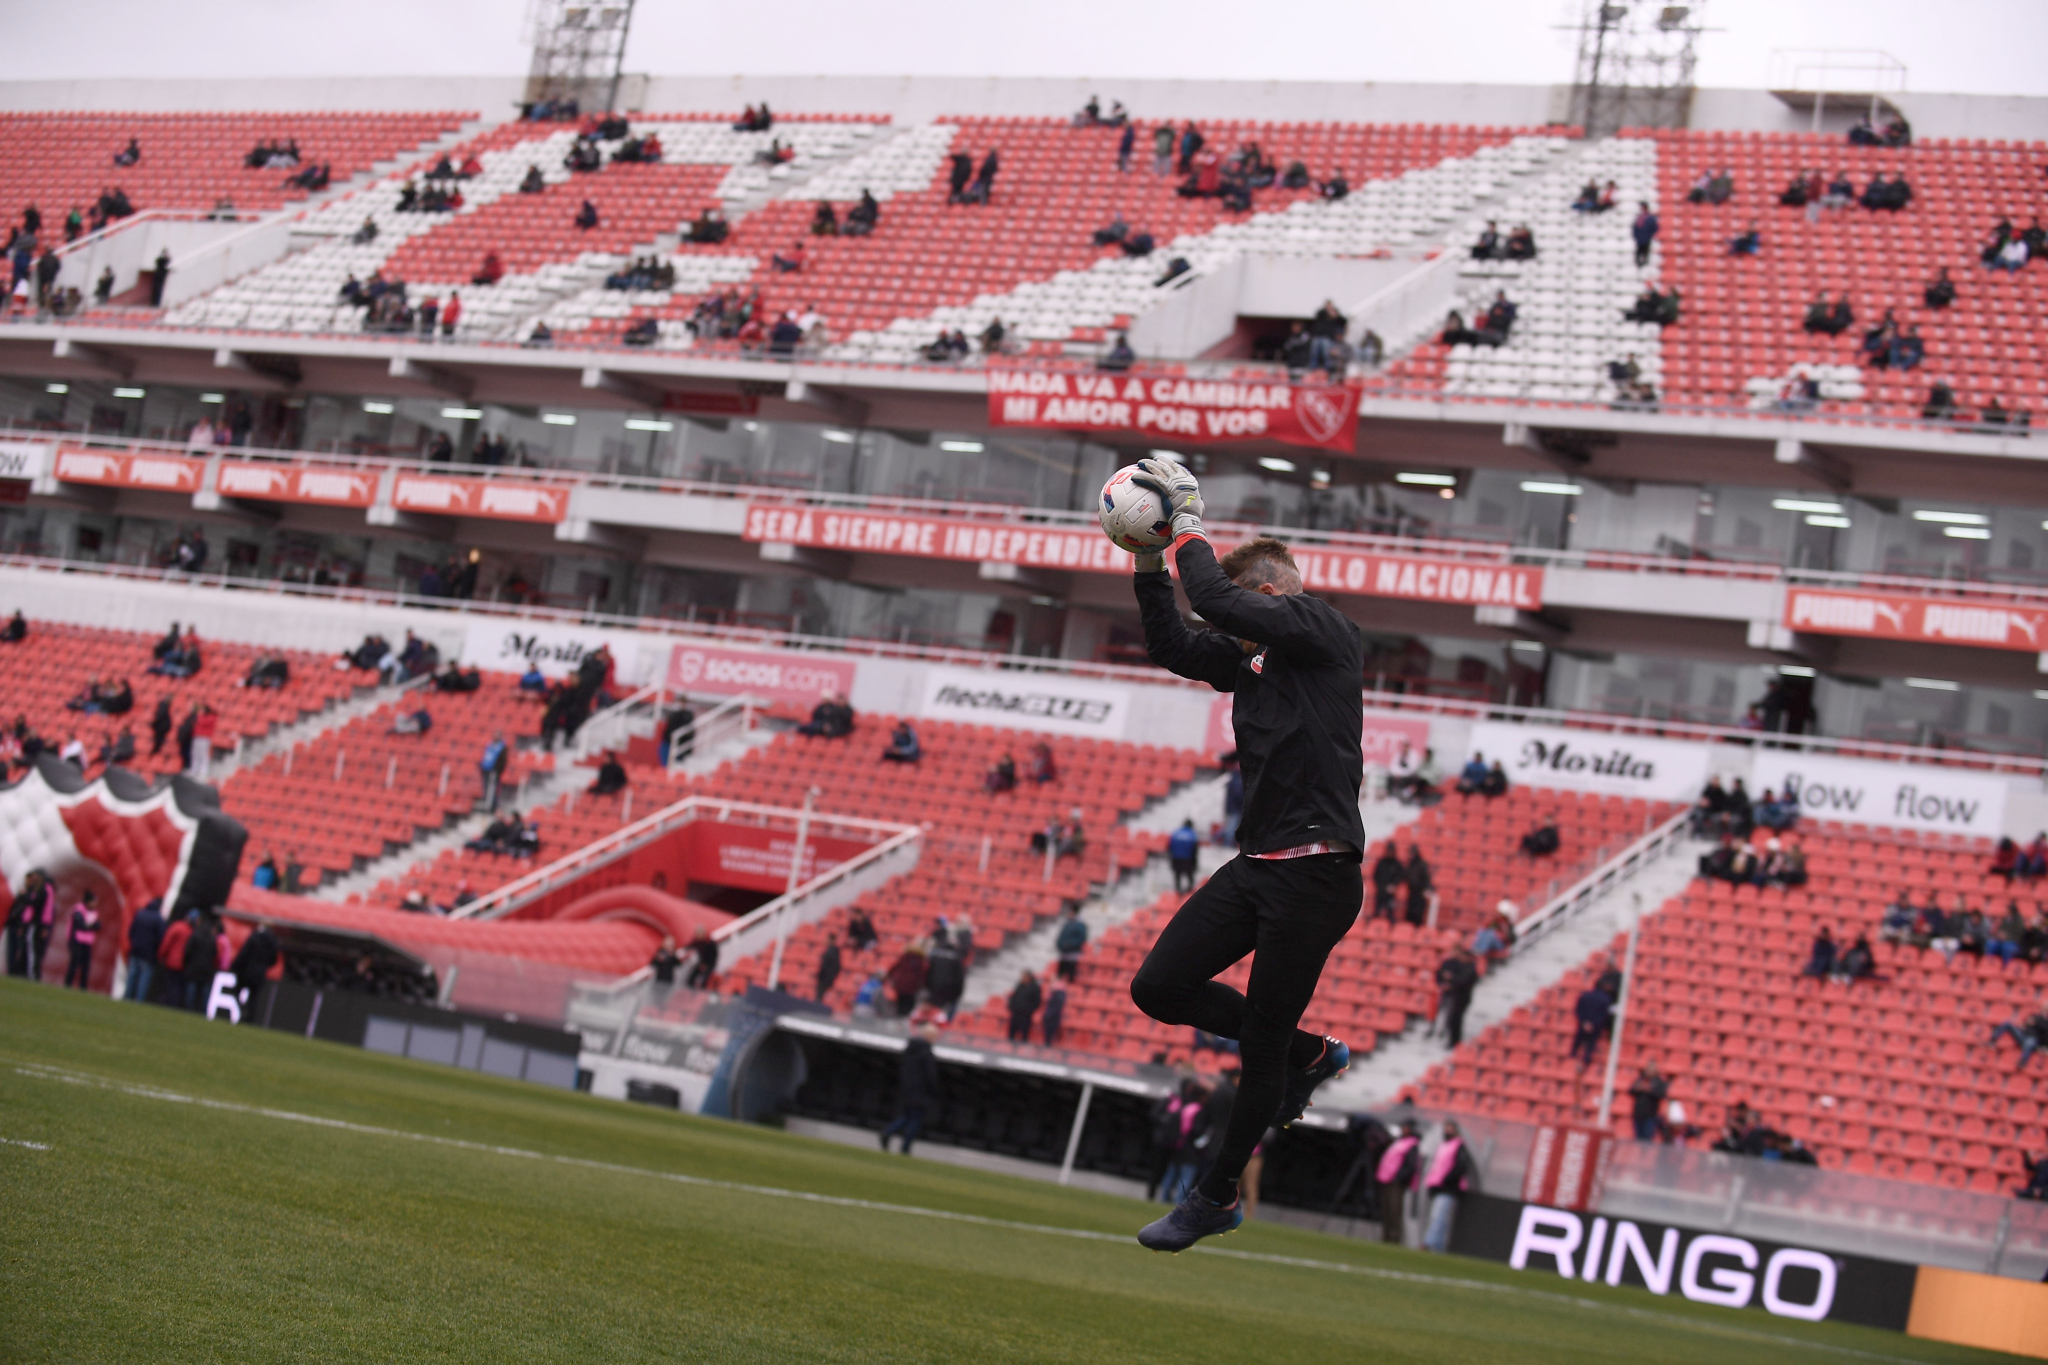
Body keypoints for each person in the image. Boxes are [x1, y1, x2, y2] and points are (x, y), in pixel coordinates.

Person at [1125, 462, 1364, 1252]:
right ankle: (1307, 1053)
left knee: (1258, 1041)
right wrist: (1148, 559)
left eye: (1246, 608)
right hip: (1259, 864)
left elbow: (1219, 605)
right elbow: (1172, 642)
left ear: (1270, 598)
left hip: (1317, 872)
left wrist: (1187, 521)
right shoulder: (1255, 662)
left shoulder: (1324, 630)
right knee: (1158, 986)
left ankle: (1216, 1195)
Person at [879, 1025, 940, 1154]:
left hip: (907, 1089)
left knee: (907, 1116)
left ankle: (888, 1132)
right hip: (921, 1092)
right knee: (915, 1119)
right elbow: (930, 1076)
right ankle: (905, 1147)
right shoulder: (926, 1053)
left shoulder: (909, 1050)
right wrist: (933, 1091)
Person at [1422, 1120, 1476, 1253]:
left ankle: (1429, 1243)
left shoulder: (1459, 1146)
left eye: (1450, 1128)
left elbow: (1461, 1166)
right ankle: (1438, 1247)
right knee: (1440, 1218)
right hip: (1438, 1186)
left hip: (1448, 1188)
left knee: (1438, 1216)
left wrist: (1447, 1180)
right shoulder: (1443, 1145)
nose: (1447, 1130)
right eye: (1446, 1128)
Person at [1376, 1119, 1421, 1244]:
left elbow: (1411, 1166)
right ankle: (1386, 1236)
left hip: (1397, 1182)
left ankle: (1394, 1238)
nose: (1403, 1129)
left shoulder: (1412, 1144)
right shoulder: (1400, 1141)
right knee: (1386, 1209)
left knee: (1395, 1210)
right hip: (1387, 1179)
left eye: (1405, 1127)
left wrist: (1399, 1177)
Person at [230, 920, 279, 1020]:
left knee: (236, 990)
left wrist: (235, 966)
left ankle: (242, 1009)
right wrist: (264, 966)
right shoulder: (272, 941)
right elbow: (274, 959)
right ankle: (250, 1018)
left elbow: (244, 953)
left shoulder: (255, 937)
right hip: (260, 974)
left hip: (247, 971)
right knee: (254, 998)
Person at [1434, 946, 1479, 1048]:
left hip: (1460, 997)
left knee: (1455, 1019)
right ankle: (1449, 1038)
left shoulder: (1470, 968)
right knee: (1450, 1018)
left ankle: (1454, 1041)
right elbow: (1440, 974)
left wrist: (1451, 979)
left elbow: (1462, 981)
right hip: (1453, 995)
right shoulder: (1456, 964)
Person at [124, 897, 163, 1003]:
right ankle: (138, 1001)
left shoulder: (140, 914)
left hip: (135, 950)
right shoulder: (158, 919)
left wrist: (134, 944)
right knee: (143, 979)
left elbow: (131, 931)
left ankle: (127, 997)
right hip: (148, 954)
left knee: (132, 975)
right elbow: (160, 938)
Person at [1569, 979, 1613, 1067]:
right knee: (1591, 1042)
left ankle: (1572, 1055)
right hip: (1596, 1025)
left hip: (1583, 1023)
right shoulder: (1606, 999)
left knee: (1578, 1039)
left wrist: (1584, 1022)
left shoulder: (1585, 995)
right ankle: (1586, 1058)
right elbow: (1604, 1014)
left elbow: (1578, 1009)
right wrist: (1593, 1023)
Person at [62, 890, 100, 989]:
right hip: (77, 940)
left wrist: (90, 926)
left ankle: (83, 987)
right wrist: (91, 926)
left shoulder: (94, 912)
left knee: (85, 966)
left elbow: (98, 925)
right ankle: (67, 984)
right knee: (74, 964)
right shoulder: (78, 910)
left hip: (87, 942)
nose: (95, 904)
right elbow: (80, 925)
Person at [1629, 1061, 1669, 1142]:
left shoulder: (1659, 1082)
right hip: (1638, 1113)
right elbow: (1631, 1091)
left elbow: (1661, 1094)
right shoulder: (1640, 1080)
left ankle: (1645, 1153)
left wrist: (1650, 1090)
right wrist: (1639, 1088)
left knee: (1647, 1137)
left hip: (1651, 1115)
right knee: (1638, 1137)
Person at [885, 941, 926, 1016]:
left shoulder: (904, 957)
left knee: (900, 1002)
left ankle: (898, 1016)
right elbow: (922, 974)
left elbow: (893, 968)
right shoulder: (921, 960)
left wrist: (889, 977)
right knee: (909, 1004)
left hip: (900, 984)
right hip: (912, 986)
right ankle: (904, 1017)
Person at [1053, 905, 1088, 982]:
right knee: (1060, 975)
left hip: (1072, 953)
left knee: (1070, 975)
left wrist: (1070, 944)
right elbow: (1061, 936)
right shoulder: (1068, 924)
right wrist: (1059, 944)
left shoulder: (1080, 925)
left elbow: (1082, 938)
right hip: (1064, 952)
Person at [1007, 970, 1042, 1042]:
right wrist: (1011, 1006)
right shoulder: (1020, 985)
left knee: (1024, 1030)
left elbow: (1037, 1001)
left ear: (1028, 977)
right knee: (1012, 1029)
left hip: (1026, 1013)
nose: (1022, 978)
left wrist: (1029, 1010)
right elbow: (1014, 996)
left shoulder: (1035, 987)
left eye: (1024, 976)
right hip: (1016, 1011)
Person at [479, 732, 510, 811]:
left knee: (492, 789)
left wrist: (497, 771)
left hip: (494, 771)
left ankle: (492, 806)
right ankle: (486, 803)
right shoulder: (490, 745)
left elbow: (503, 761)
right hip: (486, 770)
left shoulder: (502, 748)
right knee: (486, 788)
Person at [1168, 818, 1200, 894]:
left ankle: (1177, 892)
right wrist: (1195, 863)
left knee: (1177, 876)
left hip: (1176, 858)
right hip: (1187, 859)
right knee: (1189, 876)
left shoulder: (1176, 833)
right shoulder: (1192, 835)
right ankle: (1189, 893)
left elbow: (1170, 847)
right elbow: (1195, 850)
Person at [814, 933, 841, 1002]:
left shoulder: (834, 951)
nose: (825, 940)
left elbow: (836, 966)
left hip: (826, 978)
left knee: (820, 997)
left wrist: (830, 978)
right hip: (823, 977)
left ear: (831, 940)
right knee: (818, 996)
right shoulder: (829, 950)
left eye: (827, 939)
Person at [1631, 203, 1659, 269]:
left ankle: (1645, 264)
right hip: (1640, 238)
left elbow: (1655, 227)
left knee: (1645, 251)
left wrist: (1650, 234)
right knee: (1639, 251)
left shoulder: (1650, 218)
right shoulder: (1639, 217)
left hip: (1646, 238)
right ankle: (1638, 263)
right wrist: (1636, 235)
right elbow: (1635, 228)